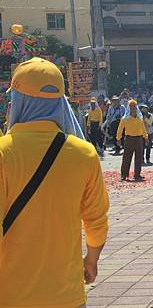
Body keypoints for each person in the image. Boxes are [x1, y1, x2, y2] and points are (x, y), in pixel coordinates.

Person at [0, 57, 109, 306]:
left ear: (17, 102)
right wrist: (91, 261)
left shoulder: (3, 153)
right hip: (66, 294)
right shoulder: (84, 154)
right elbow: (97, 219)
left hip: (10, 295)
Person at [116, 100, 148, 181]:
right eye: (131, 106)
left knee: (139, 157)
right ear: (128, 108)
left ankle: (137, 174)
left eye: (134, 106)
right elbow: (120, 129)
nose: (133, 108)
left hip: (139, 138)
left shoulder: (139, 117)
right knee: (127, 157)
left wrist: (145, 137)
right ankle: (124, 174)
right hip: (129, 139)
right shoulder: (125, 118)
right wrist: (118, 138)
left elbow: (143, 128)